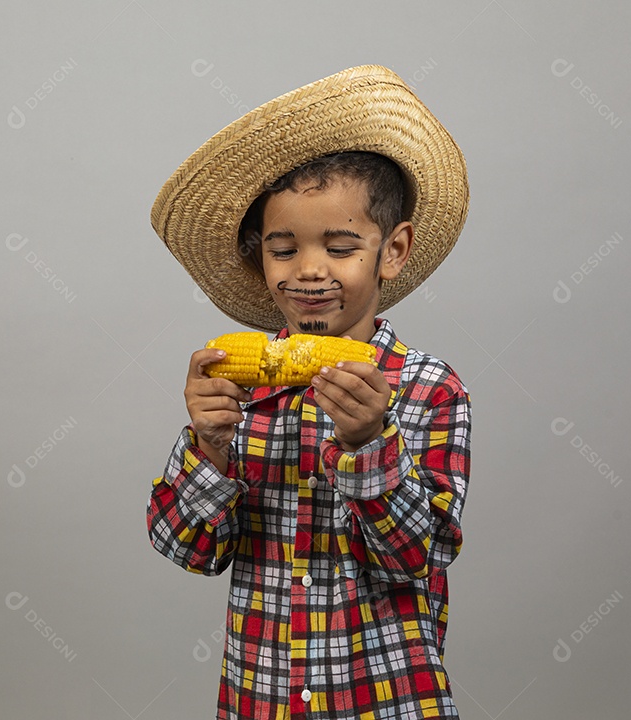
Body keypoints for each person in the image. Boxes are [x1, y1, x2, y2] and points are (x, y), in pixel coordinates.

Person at [145, 65, 472, 719]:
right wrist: (208, 447)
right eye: (284, 247)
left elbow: (417, 558)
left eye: (341, 246)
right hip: (259, 702)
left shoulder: (430, 390)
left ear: (393, 250)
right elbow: (187, 549)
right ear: (261, 257)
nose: (310, 270)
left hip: (385, 704)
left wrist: (369, 442)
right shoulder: (241, 395)